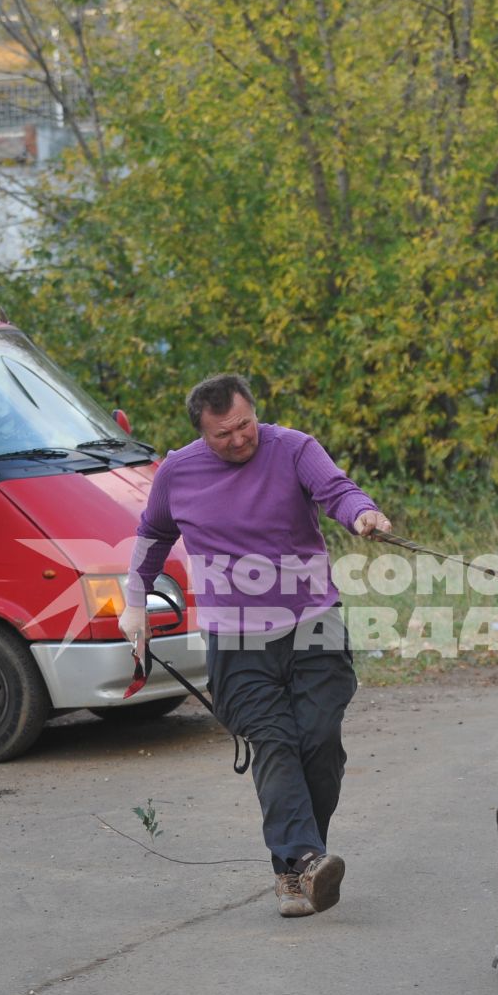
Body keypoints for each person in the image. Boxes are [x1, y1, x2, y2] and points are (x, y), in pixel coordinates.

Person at [122, 373, 391, 918]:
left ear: (254, 414)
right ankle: (303, 864)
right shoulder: (178, 471)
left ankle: (296, 864)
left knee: (318, 743)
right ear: (201, 433)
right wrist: (134, 603)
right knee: (273, 743)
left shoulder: (293, 449)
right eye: (224, 434)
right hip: (236, 636)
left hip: (313, 621)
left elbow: (336, 491)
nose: (240, 439)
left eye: (245, 425)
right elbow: (152, 536)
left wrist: (361, 514)